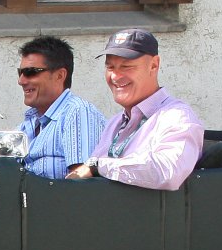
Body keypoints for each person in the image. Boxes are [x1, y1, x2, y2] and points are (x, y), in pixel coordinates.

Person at [65, 29, 205, 190]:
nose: (115, 76)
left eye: (126, 67)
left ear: (154, 65)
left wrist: (98, 166)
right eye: (110, 67)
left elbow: (167, 172)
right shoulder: (115, 122)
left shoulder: (176, 117)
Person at [14, 36, 108, 180]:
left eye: (30, 72)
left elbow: (83, 184)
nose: (21, 81)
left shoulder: (77, 112)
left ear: (60, 75)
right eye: (20, 73)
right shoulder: (26, 125)